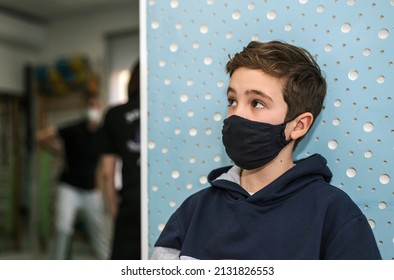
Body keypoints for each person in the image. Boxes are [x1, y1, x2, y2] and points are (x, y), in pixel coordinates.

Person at [151, 40, 382, 260]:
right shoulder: (194, 212)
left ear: (298, 125)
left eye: (257, 103)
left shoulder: (334, 214)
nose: (237, 114)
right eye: (232, 100)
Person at [37, 94, 109, 260]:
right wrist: (57, 151)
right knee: (63, 228)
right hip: (69, 187)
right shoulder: (74, 129)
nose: (94, 109)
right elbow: (41, 136)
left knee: (99, 232)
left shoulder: (103, 134)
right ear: (86, 108)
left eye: (97, 106)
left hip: (91, 189)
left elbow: (104, 167)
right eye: (91, 105)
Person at [99, 60, 141, 259]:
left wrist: (114, 210)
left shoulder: (115, 115)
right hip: (167, 204)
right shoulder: (166, 111)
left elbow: (107, 173)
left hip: (130, 205)